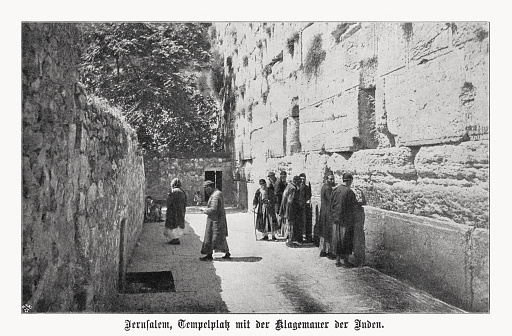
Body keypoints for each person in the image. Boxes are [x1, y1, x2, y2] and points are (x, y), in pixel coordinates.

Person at [330, 172, 357, 267]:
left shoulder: (335, 189)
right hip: (345, 221)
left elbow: (331, 203)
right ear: (349, 181)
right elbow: (353, 206)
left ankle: (337, 261)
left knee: (337, 240)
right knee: (346, 240)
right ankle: (345, 261)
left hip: (335, 219)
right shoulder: (349, 192)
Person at [199, 180, 231, 260]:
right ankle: (223, 253)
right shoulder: (216, 193)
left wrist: (204, 210)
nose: (205, 192)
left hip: (215, 220)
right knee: (217, 237)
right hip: (215, 219)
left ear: (209, 188)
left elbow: (213, 209)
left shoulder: (216, 195)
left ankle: (211, 254)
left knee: (214, 237)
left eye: (206, 189)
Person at [279, 175, 302, 247]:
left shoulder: (289, 186)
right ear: (296, 182)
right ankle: (290, 241)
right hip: (291, 209)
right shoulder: (293, 188)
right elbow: (290, 200)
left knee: (289, 224)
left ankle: (289, 240)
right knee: (291, 225)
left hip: (286, 208)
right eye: (299, 182)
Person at [163, 178, 187, 245]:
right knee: (178, 224)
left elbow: (170, 202)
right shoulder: (182, 191)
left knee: (173, 224)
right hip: (180, 211)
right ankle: (176, 238)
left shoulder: (174, 191)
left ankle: (175, 239)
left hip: (173, 211)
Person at [319, 173, 336, 258]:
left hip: (323, 213)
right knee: (329, 233)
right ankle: (329, 251)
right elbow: (331, 201)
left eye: (333, 179)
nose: (332, 181)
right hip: (327, 214)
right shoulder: (328, 188)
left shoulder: (323, 187)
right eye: (331, 179)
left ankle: (323, 250)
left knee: (324, 232)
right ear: (326, 179)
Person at [352, 184, 367, 266]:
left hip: (357, 220)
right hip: (357, 219)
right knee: (357, 238)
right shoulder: (357, 192)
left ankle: (358, 258)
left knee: (357, 238)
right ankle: (358, 258)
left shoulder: (355, 192)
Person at [299, 173, 313, 243]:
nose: (302, 181)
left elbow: (308, 196)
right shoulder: (297, 187)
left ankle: (304, 235)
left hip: (304, 207)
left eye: (304, 179)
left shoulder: (306, 188)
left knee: (304, 221)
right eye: (301, 179)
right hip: (298, 207)